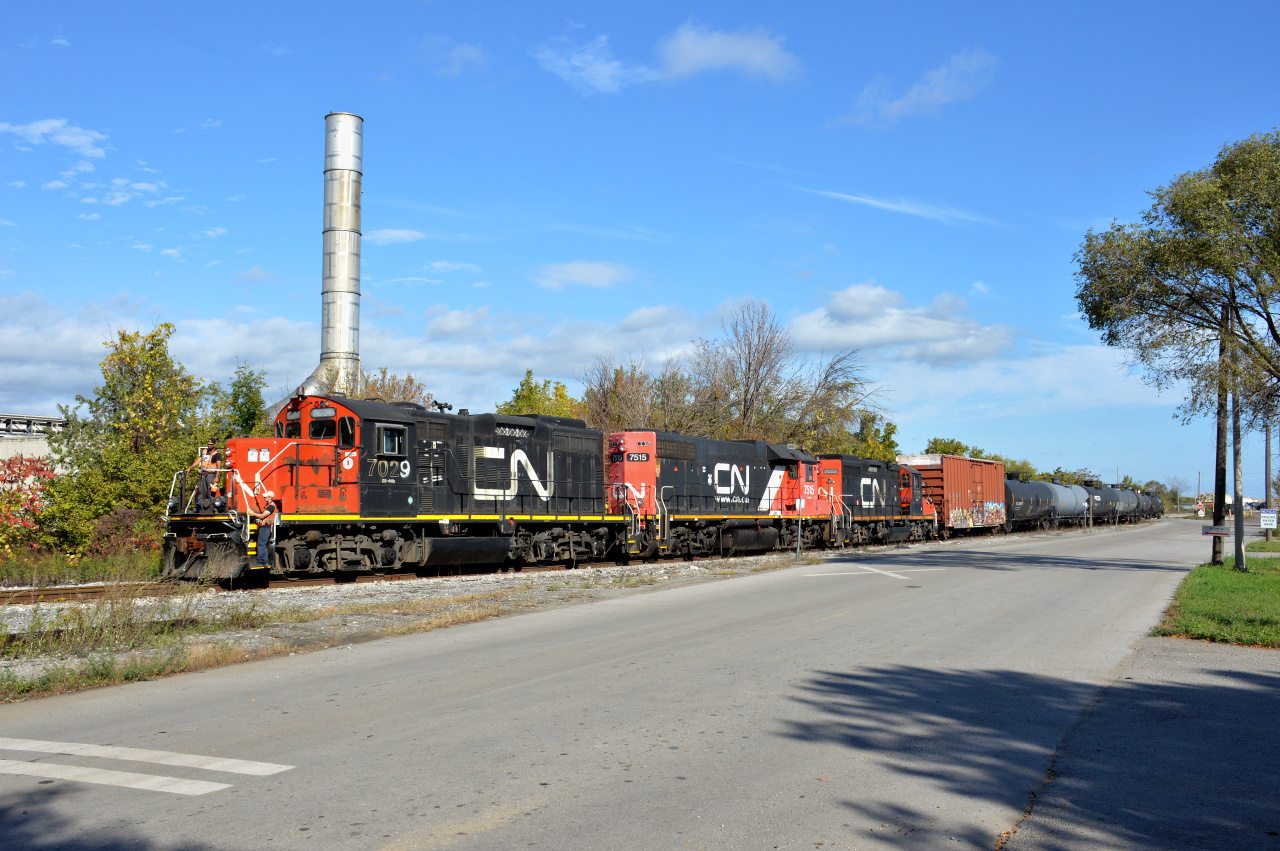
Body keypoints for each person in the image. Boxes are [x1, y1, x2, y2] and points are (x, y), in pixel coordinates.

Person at [187, 440, 223, 509]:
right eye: (208, 444)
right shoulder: (204, 452)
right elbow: (198, 460)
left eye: (210, 444)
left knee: (211, 491)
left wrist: (217, 476)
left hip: (211, 475)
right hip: (203, 474)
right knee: (201, 491)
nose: (209, 445)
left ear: (214, 444)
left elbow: (219, 466)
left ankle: (212, 506)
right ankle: (199, 506)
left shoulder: (217, 454)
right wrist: (190, 468)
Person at [248, 490, 278, 567]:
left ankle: (260, 560)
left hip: (266, 527)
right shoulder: (268, 506)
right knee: (263, 544)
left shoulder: (271, 507)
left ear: (270, 497)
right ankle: (264, 560)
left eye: (266, 496)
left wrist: (252, 513)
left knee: (261, 544)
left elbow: (262, 516)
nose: (264, 497)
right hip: (264, 526)